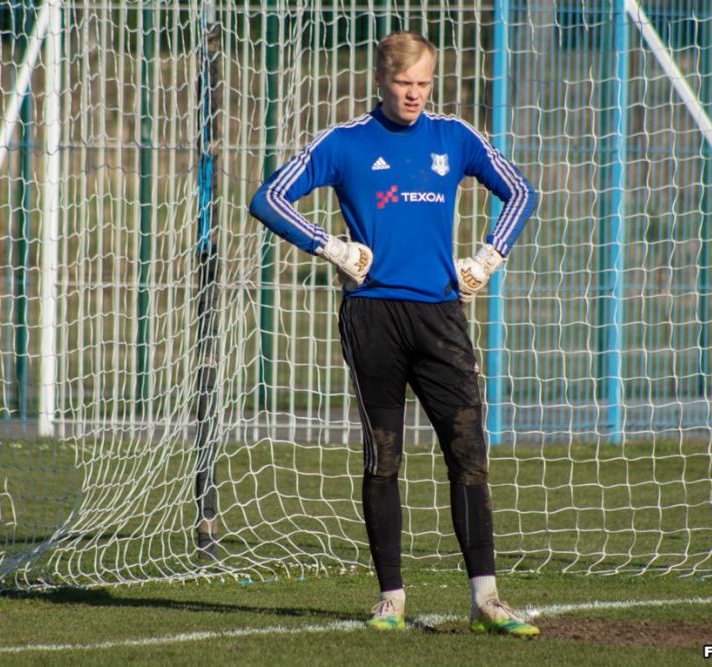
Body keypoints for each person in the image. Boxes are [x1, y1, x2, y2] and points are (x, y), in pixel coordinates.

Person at [249, 31, 537, 638]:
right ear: (379, 80)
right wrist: (329, 246)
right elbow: (267, 198)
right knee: (383, 457)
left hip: (440, 318)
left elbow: (521, 191)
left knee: (468, 453)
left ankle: (486, 600)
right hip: (372, 318)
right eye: (404, 83)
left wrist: (487, 258)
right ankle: (390, 599)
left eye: (424, 83)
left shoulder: (454, 137)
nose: (414, 94)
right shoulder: (344, 142)